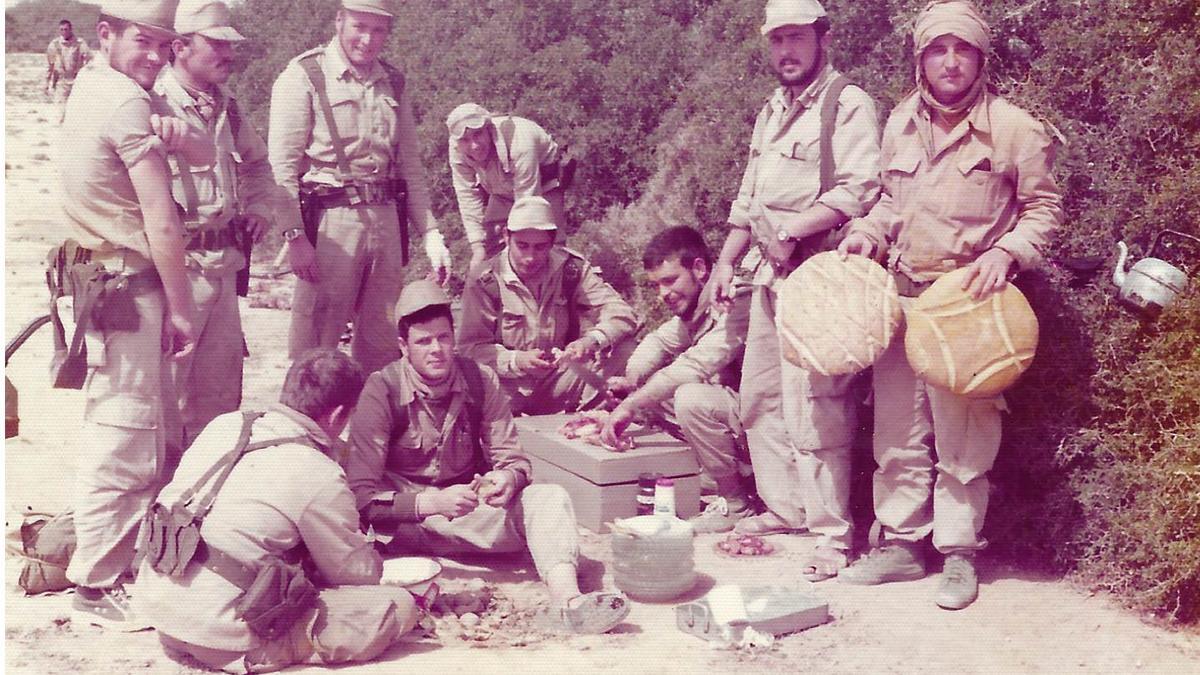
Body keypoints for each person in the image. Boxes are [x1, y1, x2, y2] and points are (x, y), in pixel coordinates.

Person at [836, 0, 1063, 609]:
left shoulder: (1014, 129)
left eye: (963, 49)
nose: (951, 61)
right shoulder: (900, 123)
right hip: (903, 299)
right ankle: (903, 545)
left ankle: (959, 553)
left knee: (964, 438)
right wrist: (867, 231)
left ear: (982, 59)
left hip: (969, 307)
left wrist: (1008, 252)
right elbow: (891, 202)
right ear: (921, 60)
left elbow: (1044, 209)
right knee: (897, 434)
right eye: (938, 49)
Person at [344, 280, 631, 634]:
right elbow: (361, 499)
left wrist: (507, 479)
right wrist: (430, 503)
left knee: (549, 497)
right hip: (405, 528)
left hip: (470, 514)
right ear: (403, 347)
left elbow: (514, 460)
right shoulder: (382, 390)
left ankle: (570, 603)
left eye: (444, 338)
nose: (437, 350)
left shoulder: (480, 379)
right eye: (423, 341)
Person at [706, 0, 880, 579]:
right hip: (767, 275)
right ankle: (787, 510)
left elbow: (860, 189)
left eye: (797, 38)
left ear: (823, 38)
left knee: (818, 408)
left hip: (819, 275)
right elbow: (749, 199)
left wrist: (791, 231)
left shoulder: (846, 104)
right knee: (761, 397)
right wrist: (725, 262)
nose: (786, 50)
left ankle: (832, 536)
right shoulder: (772, 109)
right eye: (777, 39)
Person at [136, 349, 422, 672]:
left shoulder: (225, 424)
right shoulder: (318, 470)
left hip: (161, 609)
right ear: (337, 416)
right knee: (397, 606)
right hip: (220, 636)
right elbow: (355, 574)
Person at [56, 0, 202, 629]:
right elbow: (161, 222)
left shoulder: (96, 85)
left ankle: (107, 565)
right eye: (144, 41)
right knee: (124, 435)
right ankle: (96, 585)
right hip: (126, 286)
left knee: (124, 427)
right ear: (106, 33)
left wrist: (174, 131)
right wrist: (183, 308)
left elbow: (201, 150)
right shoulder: (124, 102)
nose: (155, 56)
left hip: (102, 280)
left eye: (165, 45)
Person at [268, 0, 453, 375]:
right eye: (359, 27)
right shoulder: (305, 75)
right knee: (317, 344)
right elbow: (280, 169)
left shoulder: (393, 81)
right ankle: (311, 413)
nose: (367, 39)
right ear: (339, 21)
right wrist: (294, 236)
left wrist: (431, 233)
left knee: (382, 341)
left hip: (385, 221)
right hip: (331, 223)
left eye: (378, 30)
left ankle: (372, 413)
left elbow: (410, 165)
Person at [154, 0, 287, 468]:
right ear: (180, 47)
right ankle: (157, 496)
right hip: (177, 274)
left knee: (219, 400)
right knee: (164, 399)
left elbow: (259, 164)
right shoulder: (152, 103)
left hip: (224, 271)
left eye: (230, 45)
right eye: (216, 44)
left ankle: (202, 494)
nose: (228, 54)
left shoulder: (227, 107)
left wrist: (261, 207)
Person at [598, 226, 754, 532]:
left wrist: (631, 404)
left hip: (767, 423)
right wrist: (631, 380)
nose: (663, 294)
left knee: (689, 397)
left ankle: (736, 502)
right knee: (652, 390)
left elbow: (695, 365)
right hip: (742, 418)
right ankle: (714, 472)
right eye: (656, 285)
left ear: (699, 268)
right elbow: (659, 341)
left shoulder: (735, 298)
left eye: (670, 281)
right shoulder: (698, 307)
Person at [458, 196, 639, 416]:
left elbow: (622, 313)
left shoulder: (571, 269)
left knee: (626, 349)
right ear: (506, 236)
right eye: (522, 246)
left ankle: (589, 419)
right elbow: (470, 349)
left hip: (559, 379)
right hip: (505, 389)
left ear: (552, 243)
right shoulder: (484, 280)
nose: (530, 257)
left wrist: (591, 341)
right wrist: (517, 360)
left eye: (540, 247)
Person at [445, 102, 568, 272]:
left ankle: (559, 282)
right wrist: (478, 247)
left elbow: (528, 205)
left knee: (545, 243)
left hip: (542, 186)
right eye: (465, 140)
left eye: (478, 134)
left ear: (488, 129)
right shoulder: (456, 149)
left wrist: (516, 242)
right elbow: (467, 195)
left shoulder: (520, 140)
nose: (474, 145)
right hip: (501, 189)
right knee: (491, 245)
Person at [45, 19, 93, 122]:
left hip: (77, 82)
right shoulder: (54, 44)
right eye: (61, 29)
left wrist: (86, 75)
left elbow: (89, 60)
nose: (64, 32)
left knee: (76, 113)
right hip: (61, 82)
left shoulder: (79, 43)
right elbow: (50, 65)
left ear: (70, 29)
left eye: (66, 29)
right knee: (60, 113)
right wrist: (47, 83)